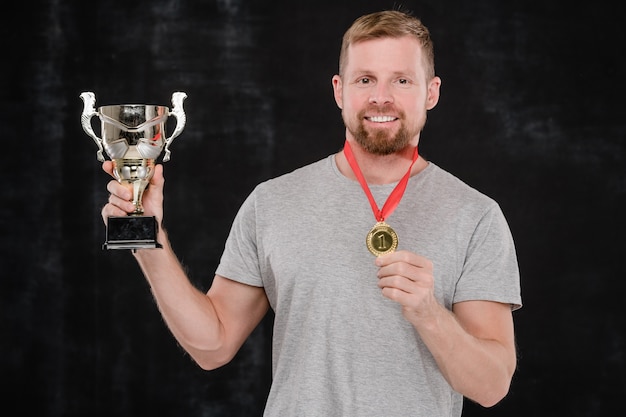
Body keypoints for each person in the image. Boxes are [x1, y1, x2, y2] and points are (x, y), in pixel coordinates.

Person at [102, 10, 522, 416]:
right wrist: (147, 239)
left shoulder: (476, 216)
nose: (381, 97)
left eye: (402, 80)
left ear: (431, 92)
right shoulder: (272, 203)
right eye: (365, 79)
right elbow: (212, 346)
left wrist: (429, 313)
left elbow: (491, 386)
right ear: (339, 90)